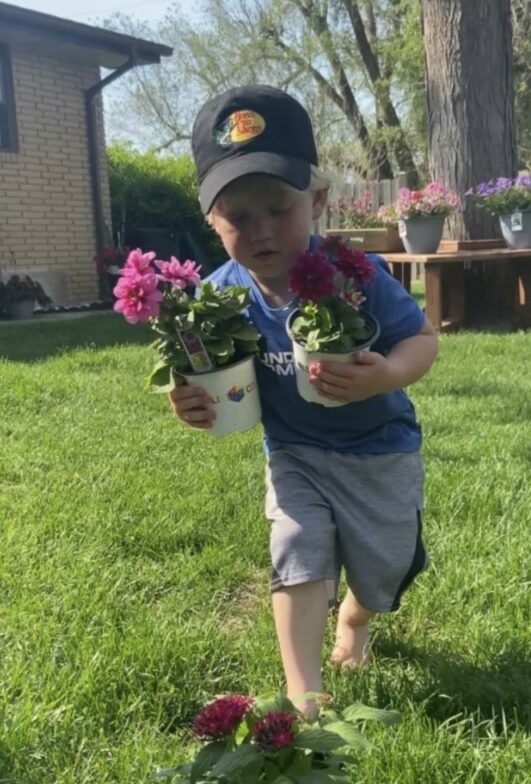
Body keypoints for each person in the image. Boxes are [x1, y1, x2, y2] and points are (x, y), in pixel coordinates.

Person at [169, 84, 438, 714]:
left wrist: (384, 375)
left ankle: (358, 617)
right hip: (294, 451)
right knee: (297, 550)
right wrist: (185, 401)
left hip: (380, 453)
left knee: (385, 571)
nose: (260, 231)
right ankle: (303, 695)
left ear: (316, 201)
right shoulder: (216, 298)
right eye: (238, 215)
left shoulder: (355, 275)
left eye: (278, 207)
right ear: (211, 219)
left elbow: (421, 340)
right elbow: (195, 372)